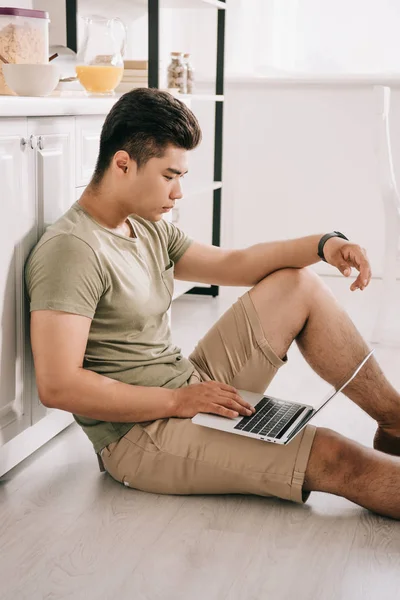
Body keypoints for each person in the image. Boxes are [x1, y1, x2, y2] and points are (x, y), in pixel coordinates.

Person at [25, 88, 400, 520]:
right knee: (334, 454)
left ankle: (395, 422)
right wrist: (176, 403)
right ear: (123, 163)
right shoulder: (72, 250)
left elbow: (237, 263)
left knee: (297, 283)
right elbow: (58, 386)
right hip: (139, 435)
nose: (178, 192)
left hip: (187, 383)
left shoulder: (145, 228)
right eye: (169, 176)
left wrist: (324, 244)